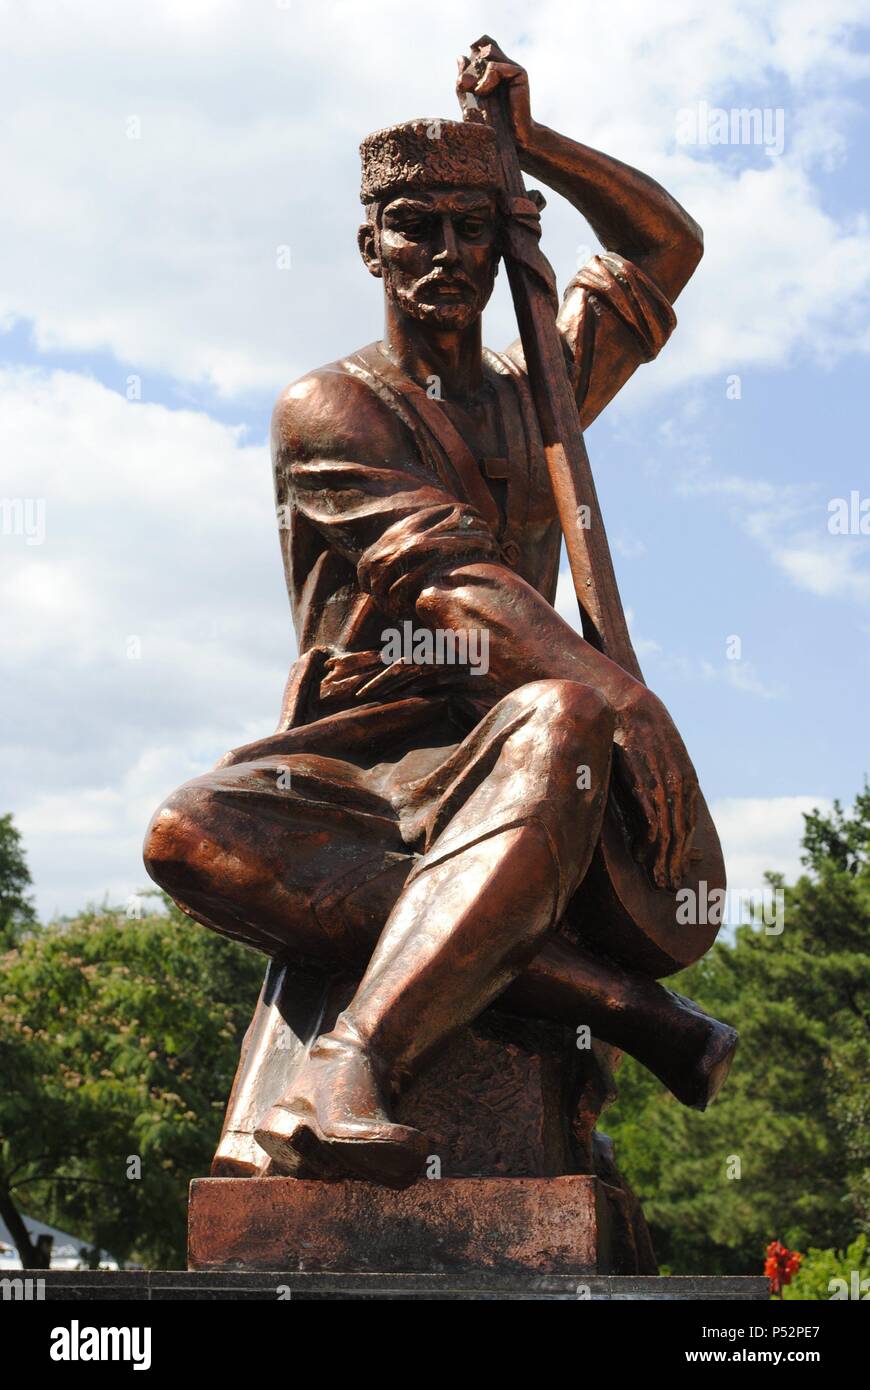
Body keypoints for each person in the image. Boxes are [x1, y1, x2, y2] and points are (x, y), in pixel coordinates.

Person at [144, 41, 736, 1187]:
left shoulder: (542, 395)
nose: (448, 254)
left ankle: (352, 1063)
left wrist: (540, 146)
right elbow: (454, 586)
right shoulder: (331, 407)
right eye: (416, 225)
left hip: (521, 763)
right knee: (188, 835)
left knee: (557, 719)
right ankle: (616, 1001)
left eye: (472, 228)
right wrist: (629, 699)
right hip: (360, 774)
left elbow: (667, 248)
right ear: (370, 243)